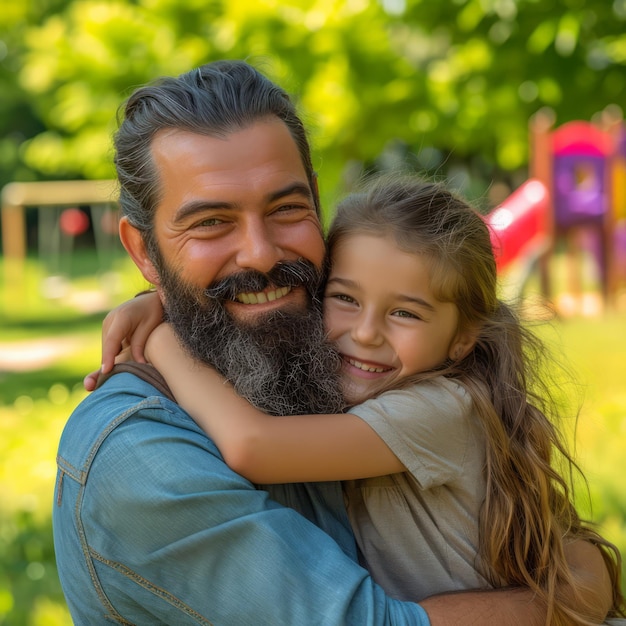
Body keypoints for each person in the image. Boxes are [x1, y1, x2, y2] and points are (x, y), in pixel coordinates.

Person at [54, 59, 614, 625]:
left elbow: (555, 543)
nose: (262, 254)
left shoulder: (336, 366)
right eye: (210, 223)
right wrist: (568, 599)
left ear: (318, 206)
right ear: (145, 252)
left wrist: (168, 322)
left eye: (286, 209)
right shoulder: (140, 461)